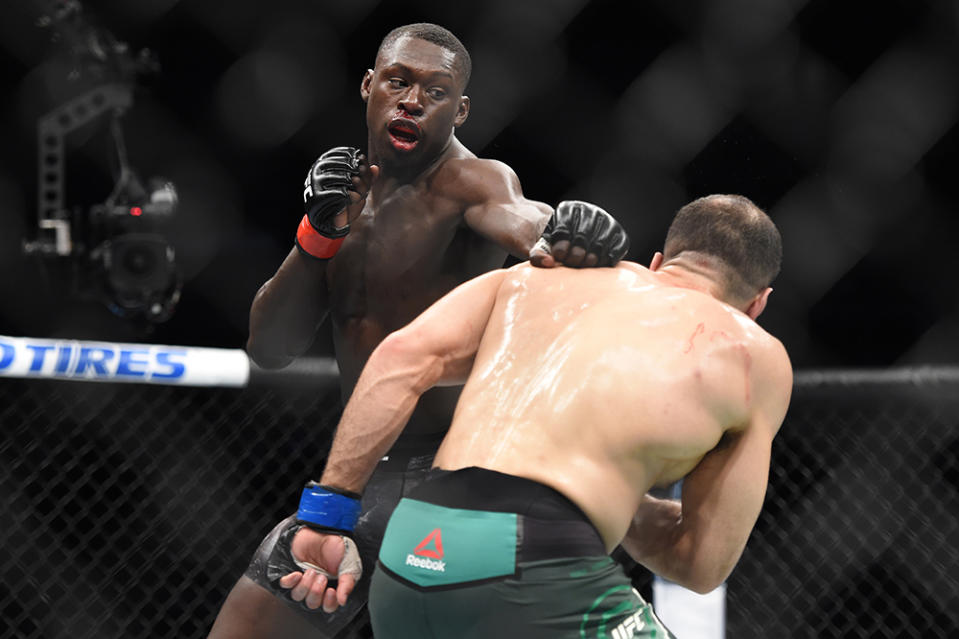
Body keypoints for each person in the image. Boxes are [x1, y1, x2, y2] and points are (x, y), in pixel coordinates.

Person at [207, 23, 629, 639]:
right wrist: (317, 234)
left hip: (463, 471)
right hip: (367, 473)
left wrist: (562, 238)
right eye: (398, 82)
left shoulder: (471, 183)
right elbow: (270, 349)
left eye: (434, 91)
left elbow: (519, 217)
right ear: (368, 86)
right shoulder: (345, 193)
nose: (411, 100)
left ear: (458, 111)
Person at [275, 194, 793, 638]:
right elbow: (700, 563)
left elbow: (398, 360)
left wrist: (326, 516)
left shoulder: (543, 277)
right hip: (537, 565)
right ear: (757, 304)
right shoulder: (755, 355)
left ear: (658, 262)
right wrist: (612, 497)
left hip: (409, 549)